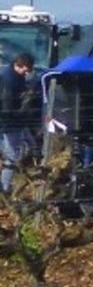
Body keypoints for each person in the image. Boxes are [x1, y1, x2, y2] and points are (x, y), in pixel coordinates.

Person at [0, 51, 40, 193]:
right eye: (26, 69)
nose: (27, 73)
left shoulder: (17, 77)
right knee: (12, 156)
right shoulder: (9, 81)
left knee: (33, 147)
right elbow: (7, 106)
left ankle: (32, 176)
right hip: (11, 124)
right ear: (20, 65)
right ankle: (4, 187)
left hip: (19, 122)